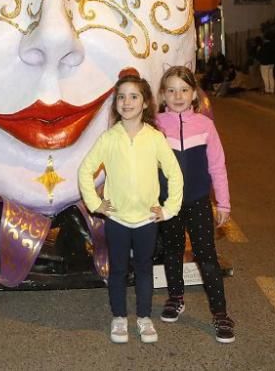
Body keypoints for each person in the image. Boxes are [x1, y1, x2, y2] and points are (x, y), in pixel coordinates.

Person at [78, 73, 184, 344]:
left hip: (147, 219)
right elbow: (85, 171)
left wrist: (169, 208)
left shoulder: (155, 138)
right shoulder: (109, 138)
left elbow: (174, 174)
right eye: (121, 97)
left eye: (134, 96)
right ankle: (119, 317)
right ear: (116, 104)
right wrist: (96, 204)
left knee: (145, 269)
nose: (127, 102)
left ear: (145, 103)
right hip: (118, 220)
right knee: (118, 270)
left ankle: (145, 318)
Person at [156, 66, 235, 344]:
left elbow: (217, 165)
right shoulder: (155, 126)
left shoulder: (205, 125)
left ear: (194, 95)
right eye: (172, 90)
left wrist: (223, 203)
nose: (178, 95)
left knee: (207, 257)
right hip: (168, 204)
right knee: (172, 251)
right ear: (163, 95)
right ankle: (176, 297)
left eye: (184, 90)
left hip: (199, 201)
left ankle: (220, 313)